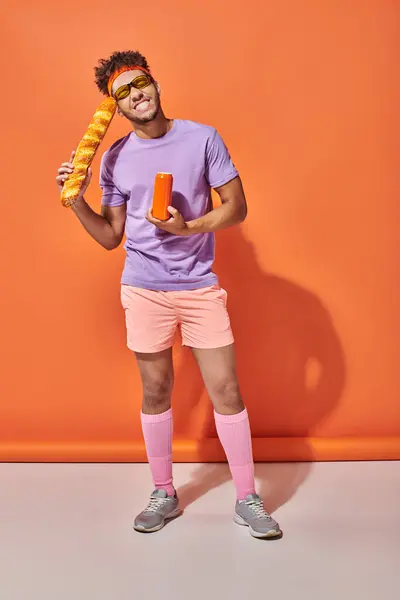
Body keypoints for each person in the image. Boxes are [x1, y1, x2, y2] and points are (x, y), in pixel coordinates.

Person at [56, 50, 281, 539]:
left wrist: (188, 228)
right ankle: (165, 492)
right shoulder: (114, 156)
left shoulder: (202, 138)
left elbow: (237, 207)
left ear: (154, 84)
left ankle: (248, 497)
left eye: (141, 84)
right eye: (123, 93)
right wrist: (77, 202)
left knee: (226, 391)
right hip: (143, 289)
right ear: (115, 107)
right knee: (156, 391)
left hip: (199, 287)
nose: (136, 95)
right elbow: (110, 236)